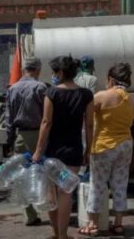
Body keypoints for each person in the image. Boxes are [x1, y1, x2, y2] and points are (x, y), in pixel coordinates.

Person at [32, 55, 94, 239]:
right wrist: (88, 150)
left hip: (53, 149)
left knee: (51, 192)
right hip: (74, 147)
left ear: (60, 72)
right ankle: (63, 234)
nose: (53, 75)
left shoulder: (51, 93)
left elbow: (46, 122)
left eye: (54, 72)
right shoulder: (86, 94)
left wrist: (38, 150)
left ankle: (55, 232)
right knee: (65, 192)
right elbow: (89, 125)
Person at [78, 62, 134, 237]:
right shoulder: (131, 100)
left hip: (103, 146)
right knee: (120, 184)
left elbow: (87, 122)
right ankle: (118, 224)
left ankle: (93, 224)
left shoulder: (101, 96)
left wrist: (86, 148)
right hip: (126, 144)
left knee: (97, 185)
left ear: (110, 79)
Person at [4, 57, 48, 226]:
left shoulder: (12, 89)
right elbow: (47, 117)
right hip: (40, 136)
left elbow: (8, 118)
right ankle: (48, 208)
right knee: (44, 173)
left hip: (20, 136)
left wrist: (10, 140)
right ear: (37, 70)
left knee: (22, 177)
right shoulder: (41, 87)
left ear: (24, 70)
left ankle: (30, 215)